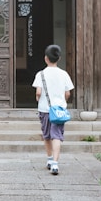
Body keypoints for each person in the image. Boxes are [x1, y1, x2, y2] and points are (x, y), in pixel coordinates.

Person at [32, 44, 74, 175]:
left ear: (46, 58)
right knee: (57, 135)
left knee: (47, 135)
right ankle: (55, 163)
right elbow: (68, 93)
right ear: (59, 58)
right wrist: (63, 101)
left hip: (45, 109)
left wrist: (38, 98)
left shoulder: (41, 74)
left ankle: (49, 159)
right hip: (59, 110)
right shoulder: (64, 74)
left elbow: (38, 92)